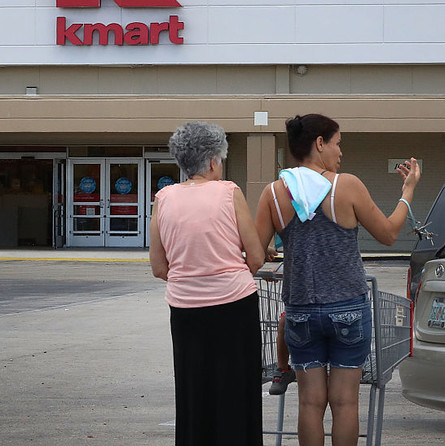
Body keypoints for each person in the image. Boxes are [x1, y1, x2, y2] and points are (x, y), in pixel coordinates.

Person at [255, 113, 421, 446]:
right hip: (348, 307)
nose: (340, 153)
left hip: (300, 310)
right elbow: (388, 233)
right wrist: (409, 191)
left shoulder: (273, 194)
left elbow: (255, 255)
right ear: (320, 143)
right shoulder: (346, 186)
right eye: (338, 143)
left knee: (309, 403)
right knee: (345, 403)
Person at [150, 121, 265, 446]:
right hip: (234, 307)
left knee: (192, 390)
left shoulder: (164, 198)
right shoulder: (229, 192)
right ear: (213, 161)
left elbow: (159, 266)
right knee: (237, 391)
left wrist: (192, 273)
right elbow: (255, 257)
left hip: (185, 310)